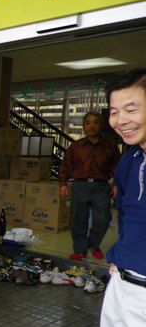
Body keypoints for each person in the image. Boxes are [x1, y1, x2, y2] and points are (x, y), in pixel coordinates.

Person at [100, 68, 146, 327]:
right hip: (123, 282)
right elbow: (129, 212)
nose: (121, 120)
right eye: (114, 111)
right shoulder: (130, 158)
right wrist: (116, 254)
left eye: (131, 109)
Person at [59, 111, 120, 261]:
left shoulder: (110, 147)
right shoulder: (75, 147)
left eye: (95, 122)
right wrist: (63, 183)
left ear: (101, 125)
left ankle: (93, 244)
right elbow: (66, 165)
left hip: (101, 187)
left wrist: (117, 185)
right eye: (88, 123)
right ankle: (80, 250)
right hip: (80, 186)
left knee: (104, 219)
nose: (91, 126)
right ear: (83, 127)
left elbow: (117, 167)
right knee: (78, 220)